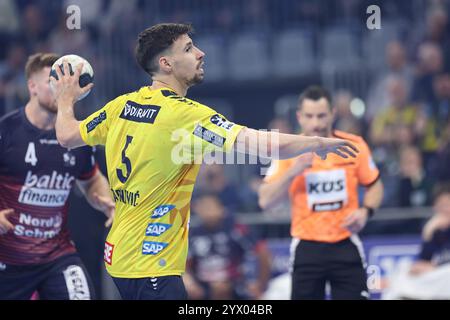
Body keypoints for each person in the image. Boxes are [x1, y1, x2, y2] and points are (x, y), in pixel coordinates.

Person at [51, 23, 358, 300]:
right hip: (152, 263)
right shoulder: (185, 115)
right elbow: (261, 144)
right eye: (188, 49)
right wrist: (316, 142)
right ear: (166, 64)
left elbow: (66, 135)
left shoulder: (121, 105)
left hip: (118, 257)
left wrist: (65, 100)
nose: (200, 53)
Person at [0, 53, 114, 300]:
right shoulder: (5, 133)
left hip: (57, 256)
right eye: (53, 81)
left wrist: (107, 202)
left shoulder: (77, 137)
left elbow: (91, 179)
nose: (60, 90)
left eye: (65, 84)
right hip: (8, 258)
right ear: (32, 86)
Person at [259, 85, 384, 300]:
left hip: (345, 242)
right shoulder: (288, 150)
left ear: (333, 114)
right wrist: (293, 171)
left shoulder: (353, 145)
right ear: (299, 117)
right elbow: (265, 201)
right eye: (309, 116)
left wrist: (366, 211)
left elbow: (374, 183)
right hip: (307, 246)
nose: (316, 123)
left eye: (321, 116)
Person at [184, 193, 271, 300]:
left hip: (235, 283)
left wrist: (260, 284)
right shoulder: (193, 234)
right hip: (202, 285)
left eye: (210, 207)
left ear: (221, 208)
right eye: (203, 207)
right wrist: (190, 283)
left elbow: (262, 253)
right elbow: (184, 264)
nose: (207, 212)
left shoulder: (236, 229)